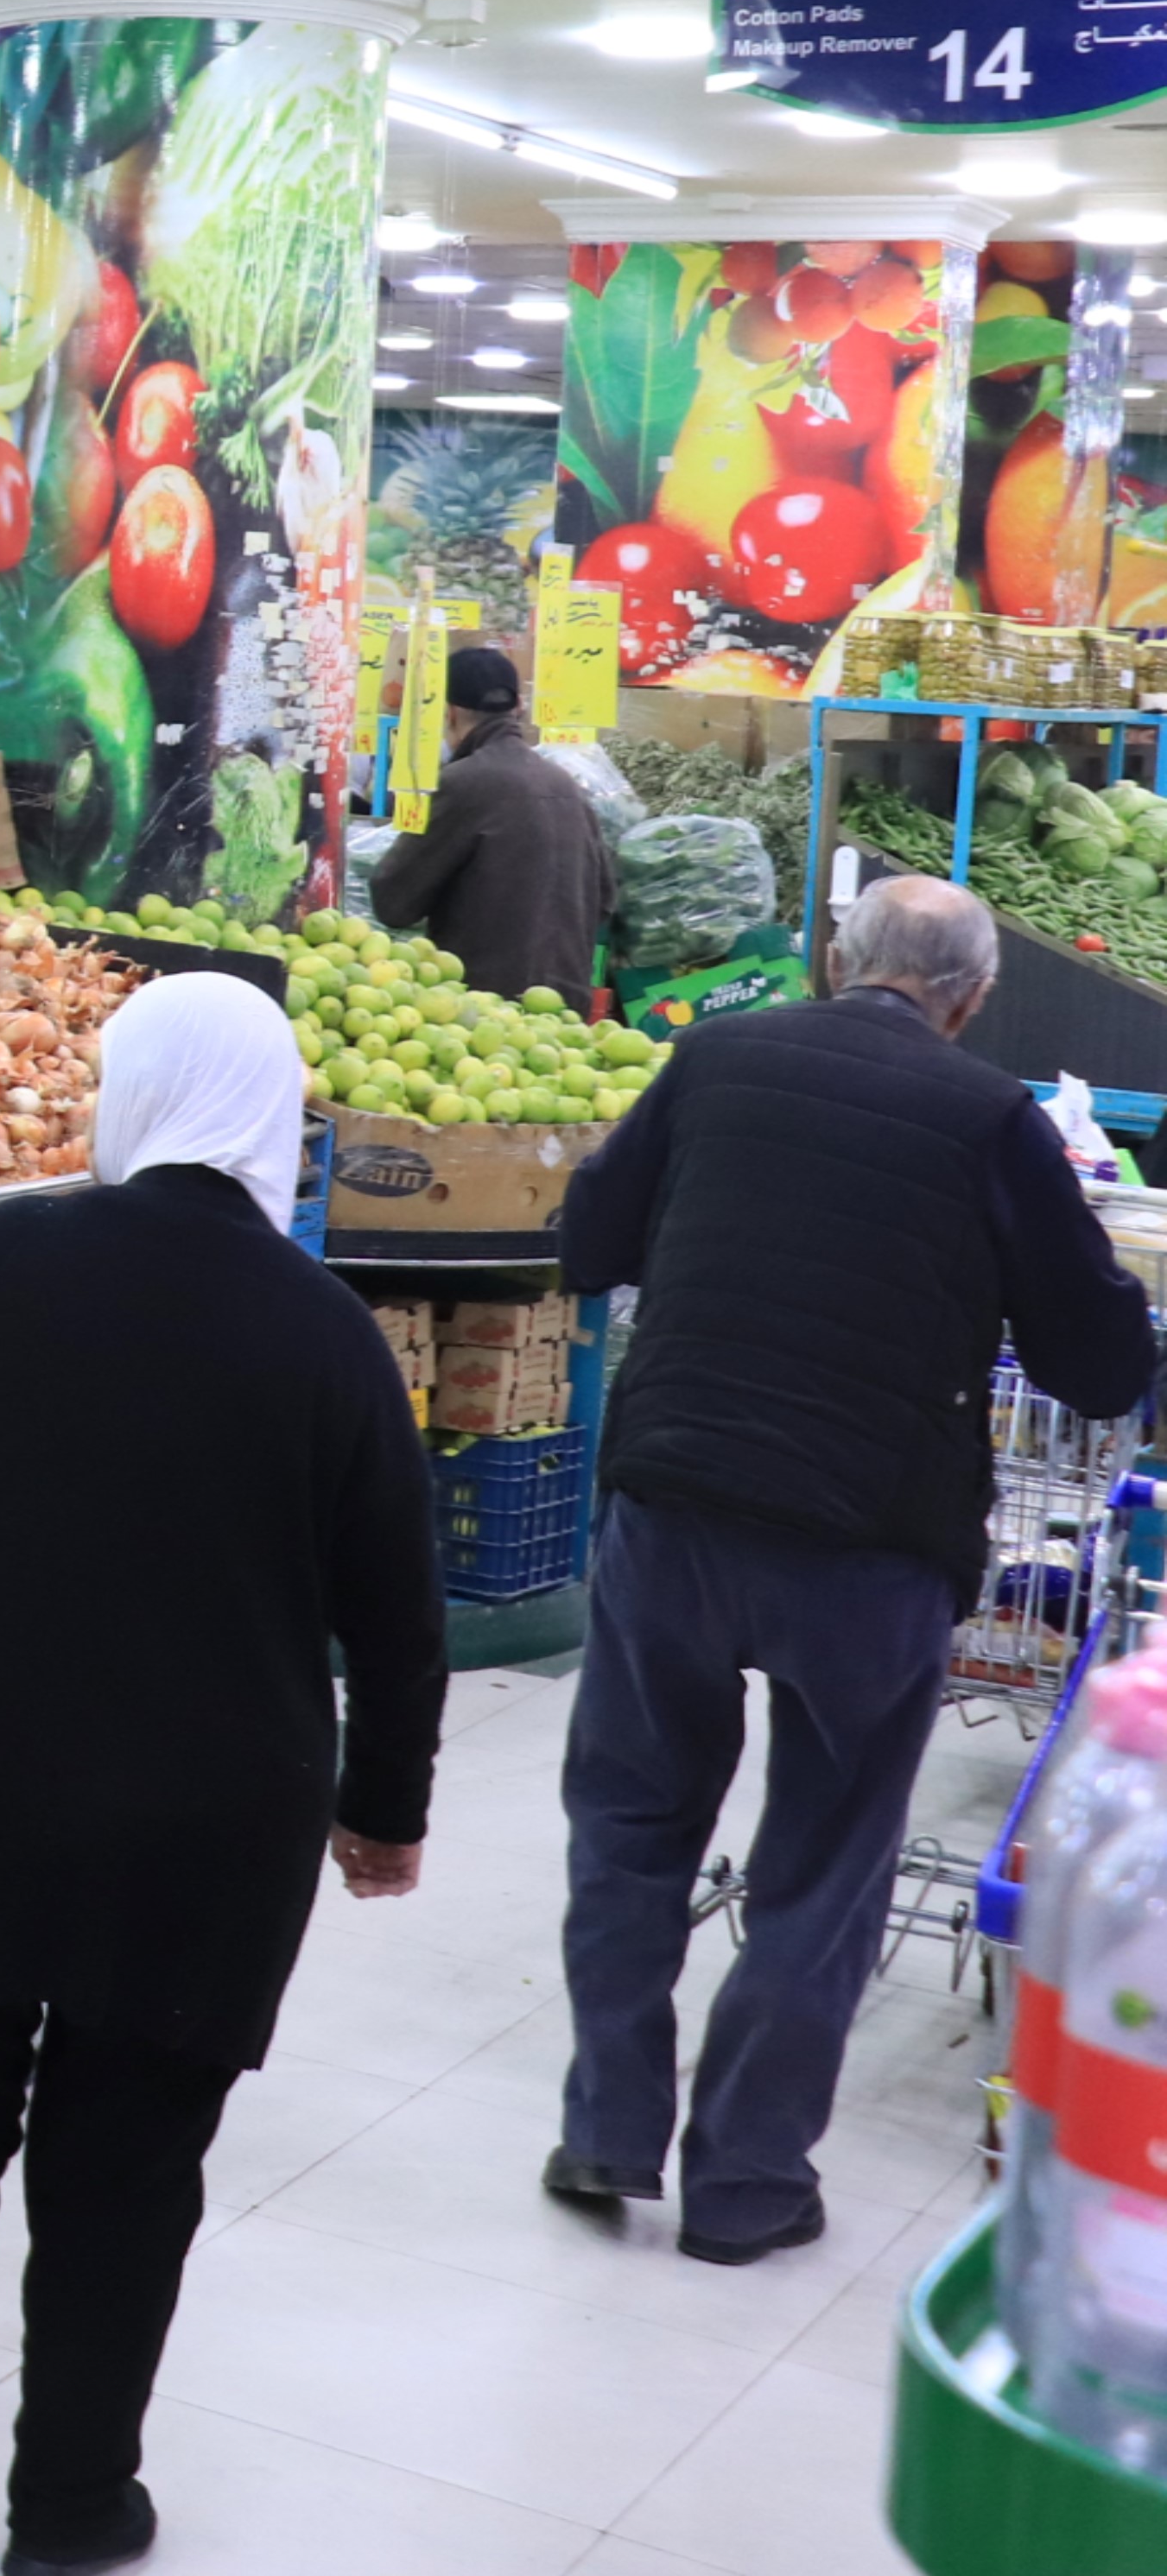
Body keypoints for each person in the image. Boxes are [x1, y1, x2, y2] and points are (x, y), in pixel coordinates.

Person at [0, 974, 446, 2576]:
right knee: (130, 2162)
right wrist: (385, 1813)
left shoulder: (2, 1256)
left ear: (129, 1093)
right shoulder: (328, 1334)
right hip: (210, 1824)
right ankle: (74, 2506)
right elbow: (399, 1614)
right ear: (274, 1123)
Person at [547, 873, 1157, 2263]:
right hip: (868, 1546)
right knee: (825, 1862)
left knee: (631, 1819)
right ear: (975, 998)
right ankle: (748, 2186)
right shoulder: (991, 1120)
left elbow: (588, 1244)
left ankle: (608, 2131)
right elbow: (1094, 1359)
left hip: (678, 1504)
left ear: (834, 959)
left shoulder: (713, 1060)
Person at [367, 643, 613, 1010]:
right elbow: (605, 900)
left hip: (486, 1012)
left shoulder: (464, 783)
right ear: (518, 707)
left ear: (448, 713)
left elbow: (393, 902)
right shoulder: (566, 785)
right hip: (565, 1009)